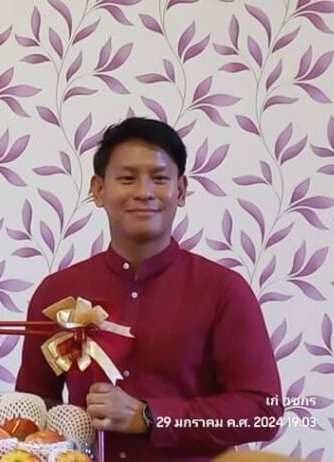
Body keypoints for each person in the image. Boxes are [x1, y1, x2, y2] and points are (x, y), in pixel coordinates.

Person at [16, 117, 283, 461]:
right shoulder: (58, 292)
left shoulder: (223, 291)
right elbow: (32, 411)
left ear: (181, 190)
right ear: (99, 190)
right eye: (127, 178)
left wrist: (149, 416)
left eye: (159, 178)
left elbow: (263, 411)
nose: (143, 192)